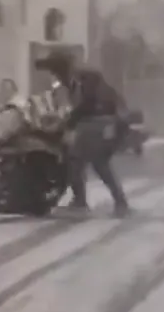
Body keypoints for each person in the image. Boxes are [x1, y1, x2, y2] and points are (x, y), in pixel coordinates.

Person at [35, 50, 132, 217]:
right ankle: (117, 202)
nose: (53, 75)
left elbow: (86, 105)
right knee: (96, 162)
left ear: (60, 69)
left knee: (77, 158)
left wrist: (67, 122)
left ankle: (82, 202)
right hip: (101, 121)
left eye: (53, 70)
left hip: (100, 121)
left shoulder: (82, 78)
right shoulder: (77, 77)